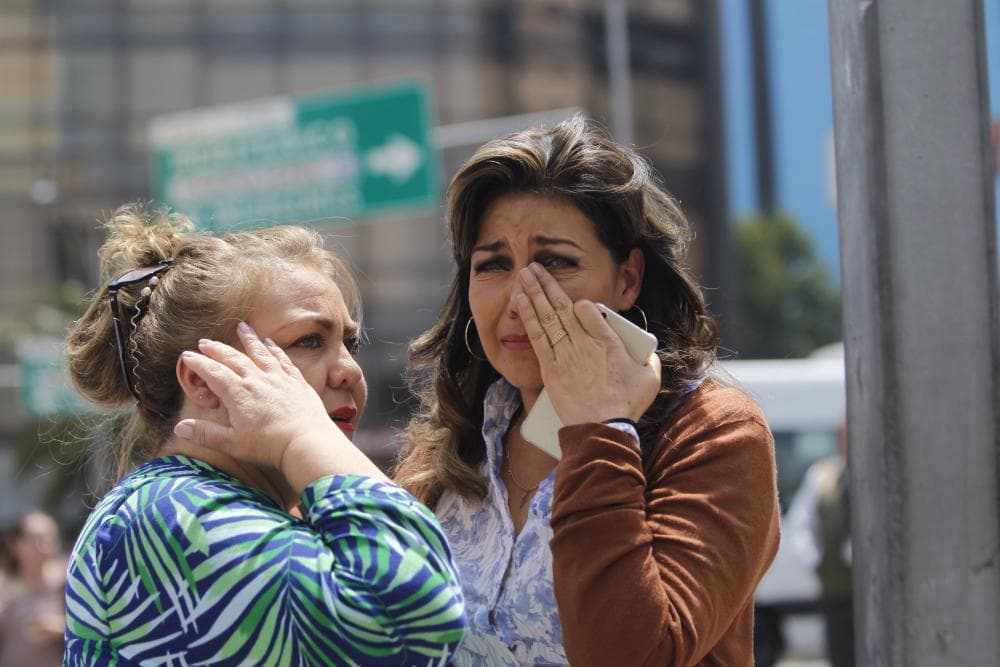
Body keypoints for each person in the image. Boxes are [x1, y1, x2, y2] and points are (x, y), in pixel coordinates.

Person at [394, 114, 781, 666]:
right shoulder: (448, 450)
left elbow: (634, 654)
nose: (521, 298)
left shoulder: (711, 432)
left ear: (628, 279)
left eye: (555, 262)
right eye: (494, 265)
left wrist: (599, 430)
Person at [62, 204, 467, 665]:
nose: (350, 372)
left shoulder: (236, 504)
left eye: (349, 344)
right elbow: (416, 619)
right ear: (202, 380)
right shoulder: (171, 512)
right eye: (309, 341)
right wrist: (302, 435)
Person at [786, 423, 854, 667]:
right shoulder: (822, 475)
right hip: (837, 589)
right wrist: (815, 562)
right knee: (842, 654)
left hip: (875, 591)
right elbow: (801, 524)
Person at [0, 511, 66, 666]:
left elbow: (90, 631)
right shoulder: (3, 586)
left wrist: (59, 629)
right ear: (15, 544)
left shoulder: (66, 585)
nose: (42, 546)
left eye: (48, 538)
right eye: (35, 539)